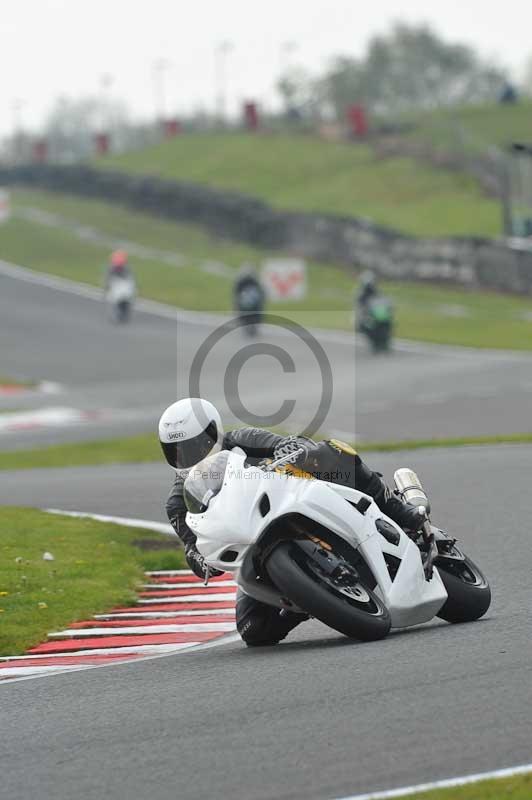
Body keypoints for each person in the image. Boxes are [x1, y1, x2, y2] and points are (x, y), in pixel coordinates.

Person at [159, 398, 426, 647]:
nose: (188, 457)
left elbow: (289, 443)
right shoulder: (179, 501)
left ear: (214, 434)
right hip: (253, 548)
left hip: (293, 501)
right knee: (254, 630)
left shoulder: (241, 440)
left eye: (195, 447)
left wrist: (292, 447)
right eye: (177, 452)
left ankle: (398, 509)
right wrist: (199, 559)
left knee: (331, 451)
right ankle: (312, 599)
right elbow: (191, 544)